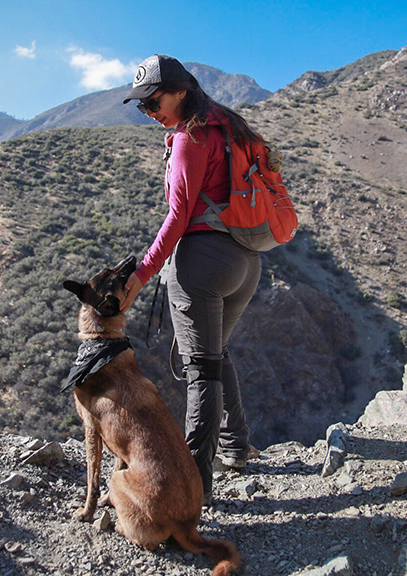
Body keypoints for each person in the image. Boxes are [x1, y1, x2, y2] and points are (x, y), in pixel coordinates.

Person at [119, 54, 262, 505]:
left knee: (201, 371)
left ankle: (192, 488)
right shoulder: (230, 128)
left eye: (154, 100)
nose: (149, 112)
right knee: (214, 356)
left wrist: (141, 275)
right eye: (142, 106)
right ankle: (235, 447)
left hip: (201, 262)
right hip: (246, 262)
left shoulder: (189, 138)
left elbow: (178, 217)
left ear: (181, 90)